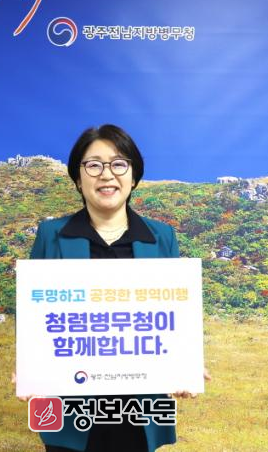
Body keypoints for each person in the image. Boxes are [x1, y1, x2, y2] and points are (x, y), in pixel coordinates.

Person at [25, 124, 201, 452]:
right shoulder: (51, 235)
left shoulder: (162, 237)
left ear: (133, 177)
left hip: (139, 406)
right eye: (94, 165)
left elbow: (174, 317)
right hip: (71, 406)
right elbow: (35, 318)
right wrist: (28, 366)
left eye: (119, 164)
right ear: (78, 179)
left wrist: (184, 365)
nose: (107, 174)